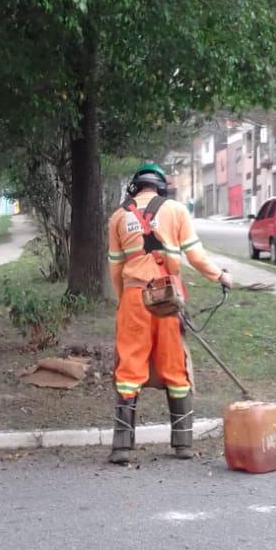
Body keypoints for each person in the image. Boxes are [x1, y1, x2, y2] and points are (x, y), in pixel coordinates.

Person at [107, 163, 232, 464]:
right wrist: (220, 277)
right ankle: (183, 444)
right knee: (174, 366)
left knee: (129, 370)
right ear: (161, 187)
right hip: (167, 297)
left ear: (135, 187)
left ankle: (122, 447)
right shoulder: (176, 211)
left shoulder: (117, 216)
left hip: (135, 296)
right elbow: (196, 256)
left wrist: (124, 301)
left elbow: (115, 268)